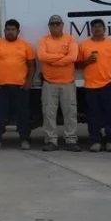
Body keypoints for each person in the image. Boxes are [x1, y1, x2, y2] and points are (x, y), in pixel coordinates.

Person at [0, 20, 35, 151]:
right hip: (1, 87)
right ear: (4, 31)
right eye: (8, 29)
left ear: (18, 31)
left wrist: (29, 82)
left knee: (23, 115)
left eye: (13, 30)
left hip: (20, 87)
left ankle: (24, 139)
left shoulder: (25, 45)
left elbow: (32, 65)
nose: (10, 32)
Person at [37, 15, 82, 152]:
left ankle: (71, 140)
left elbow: (73, 57)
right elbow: (42, 56)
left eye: (57, 23)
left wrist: (52, 60)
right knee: (49, 113)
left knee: (70, 113)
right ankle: (51, 141)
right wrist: (62, 57)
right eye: (52, 24)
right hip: (49, 83)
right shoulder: (44, 40)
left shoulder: (70, 39)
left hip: (68, 83)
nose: (55, 26)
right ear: (49, 26)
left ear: (62, 25)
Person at [78, 18, 111, 152]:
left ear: (104, 29)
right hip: (90, 86)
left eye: (99, 26)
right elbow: (77, 64)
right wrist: (87, 61)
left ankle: (110, 141)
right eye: (94, 27)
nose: (97, 29)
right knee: (93, 115)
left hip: (107, 85)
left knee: (110, 114)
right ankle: (96, 141)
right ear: (91, 29)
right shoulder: (84, 45)